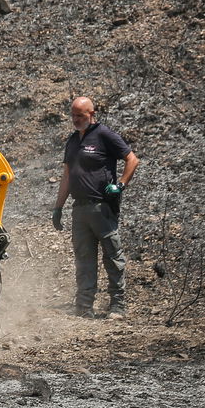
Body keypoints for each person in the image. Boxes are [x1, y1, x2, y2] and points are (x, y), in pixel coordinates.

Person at [52, 96, 139, 319]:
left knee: (112, 256)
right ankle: (84, 305)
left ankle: (117, 305)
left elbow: (132, 159)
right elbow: (67, 176)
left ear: (92, 114)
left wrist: (120, 185)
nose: (75, 119)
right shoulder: (72, 141)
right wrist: (58, 207)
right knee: (84, 258)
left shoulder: (104, 135)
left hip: (102, 207)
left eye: (80, 115)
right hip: (79, 210)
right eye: (73, 115)